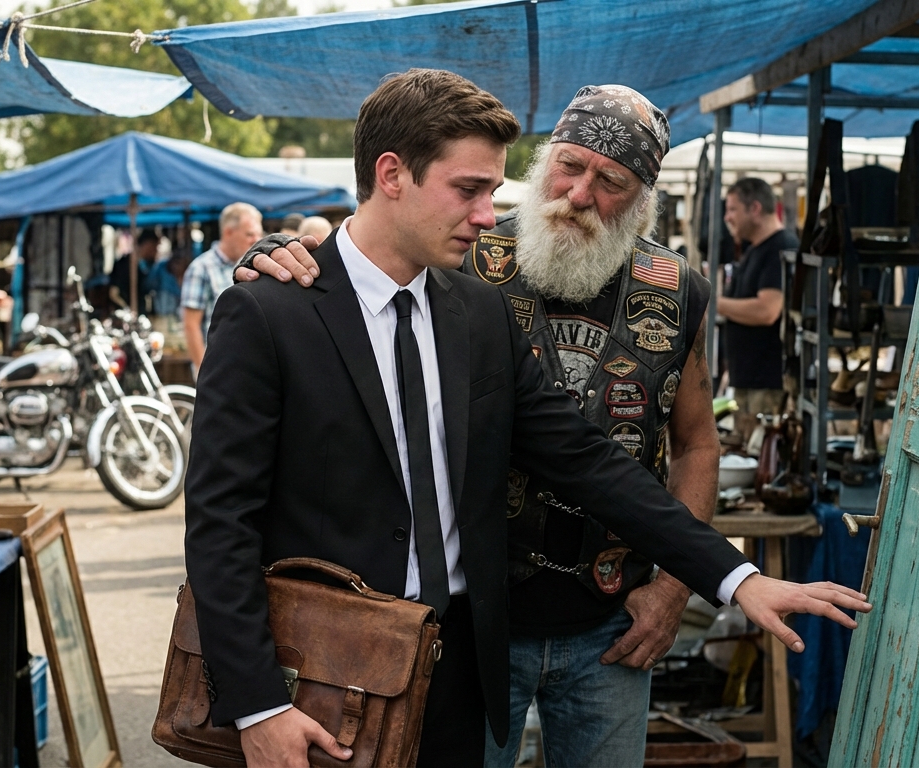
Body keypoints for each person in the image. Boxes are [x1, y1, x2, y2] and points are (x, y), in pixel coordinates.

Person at [184, 68, 869, 768]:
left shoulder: (474, 313)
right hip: (322, 669)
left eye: (493, 190)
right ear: (391, 174)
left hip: (454, 670)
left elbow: (588, 460)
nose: (489, 216)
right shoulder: (269, 311)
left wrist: (736, 579)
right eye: (470, 190)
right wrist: (259, 704)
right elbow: (219, 525)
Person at [240, 84, 726, 768]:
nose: (580, 194)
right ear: (542, 163)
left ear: (644, 198)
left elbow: (691, 445)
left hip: (610, 619)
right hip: (472, 622)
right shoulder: (460, 255)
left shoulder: (675, 293)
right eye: (569, 167)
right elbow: (362, 266)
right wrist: (280, 255)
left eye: (611, 181)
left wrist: (677, 589)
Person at [718, 178, 796, 448]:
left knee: (762, 457)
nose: (727, 217)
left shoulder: (780, 247)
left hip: (768, 383)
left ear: (755, 208)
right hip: (749, 380)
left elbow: (767, 311)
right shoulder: (754, 250)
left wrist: (710, 301)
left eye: (732, 209)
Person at [180, 202, 262, 370]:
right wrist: (204, 371)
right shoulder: (201, 267)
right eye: (249, 234)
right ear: (228, 232)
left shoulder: (253, 266)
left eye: (258, 234)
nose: (256, 240)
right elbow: (191, 325)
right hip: (218, 368)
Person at [111, 229, 161, 314]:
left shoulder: (151, 265)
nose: (156, 251)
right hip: (126, 314)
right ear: (147, 244)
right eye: (154, 247)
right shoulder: (124, 264)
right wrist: (127, 309)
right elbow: (114, 293)